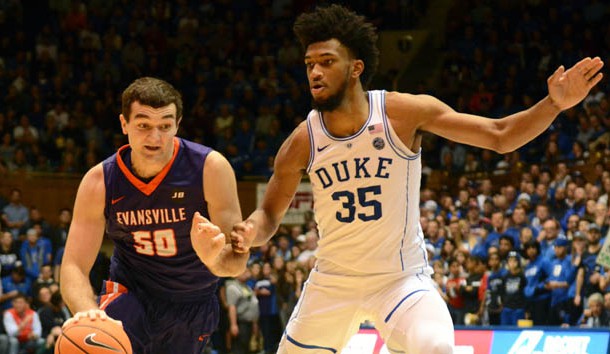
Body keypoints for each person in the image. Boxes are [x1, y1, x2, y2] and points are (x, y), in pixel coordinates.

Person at [230, 4, 604, 353]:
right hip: (333, 281)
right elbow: (268, 217)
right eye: (309, 63)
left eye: (326, 62)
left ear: (356, 67)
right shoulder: (301, 141)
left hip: (401, 279)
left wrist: (553, 104)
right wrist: (249, 231)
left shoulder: (402, 113)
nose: (314, 72)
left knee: (437, 347)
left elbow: (500, 135)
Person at [59, 77, 253, 354]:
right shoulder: (100, 181)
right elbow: (73, 265)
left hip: (192, 302)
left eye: (165, 126)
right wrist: (89, 315)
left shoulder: (210, 168)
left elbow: (235, 264)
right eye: (143, 125)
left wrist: (214, 259)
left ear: (178, 124)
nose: (155, 137)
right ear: (124, 124)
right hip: (130, 294)